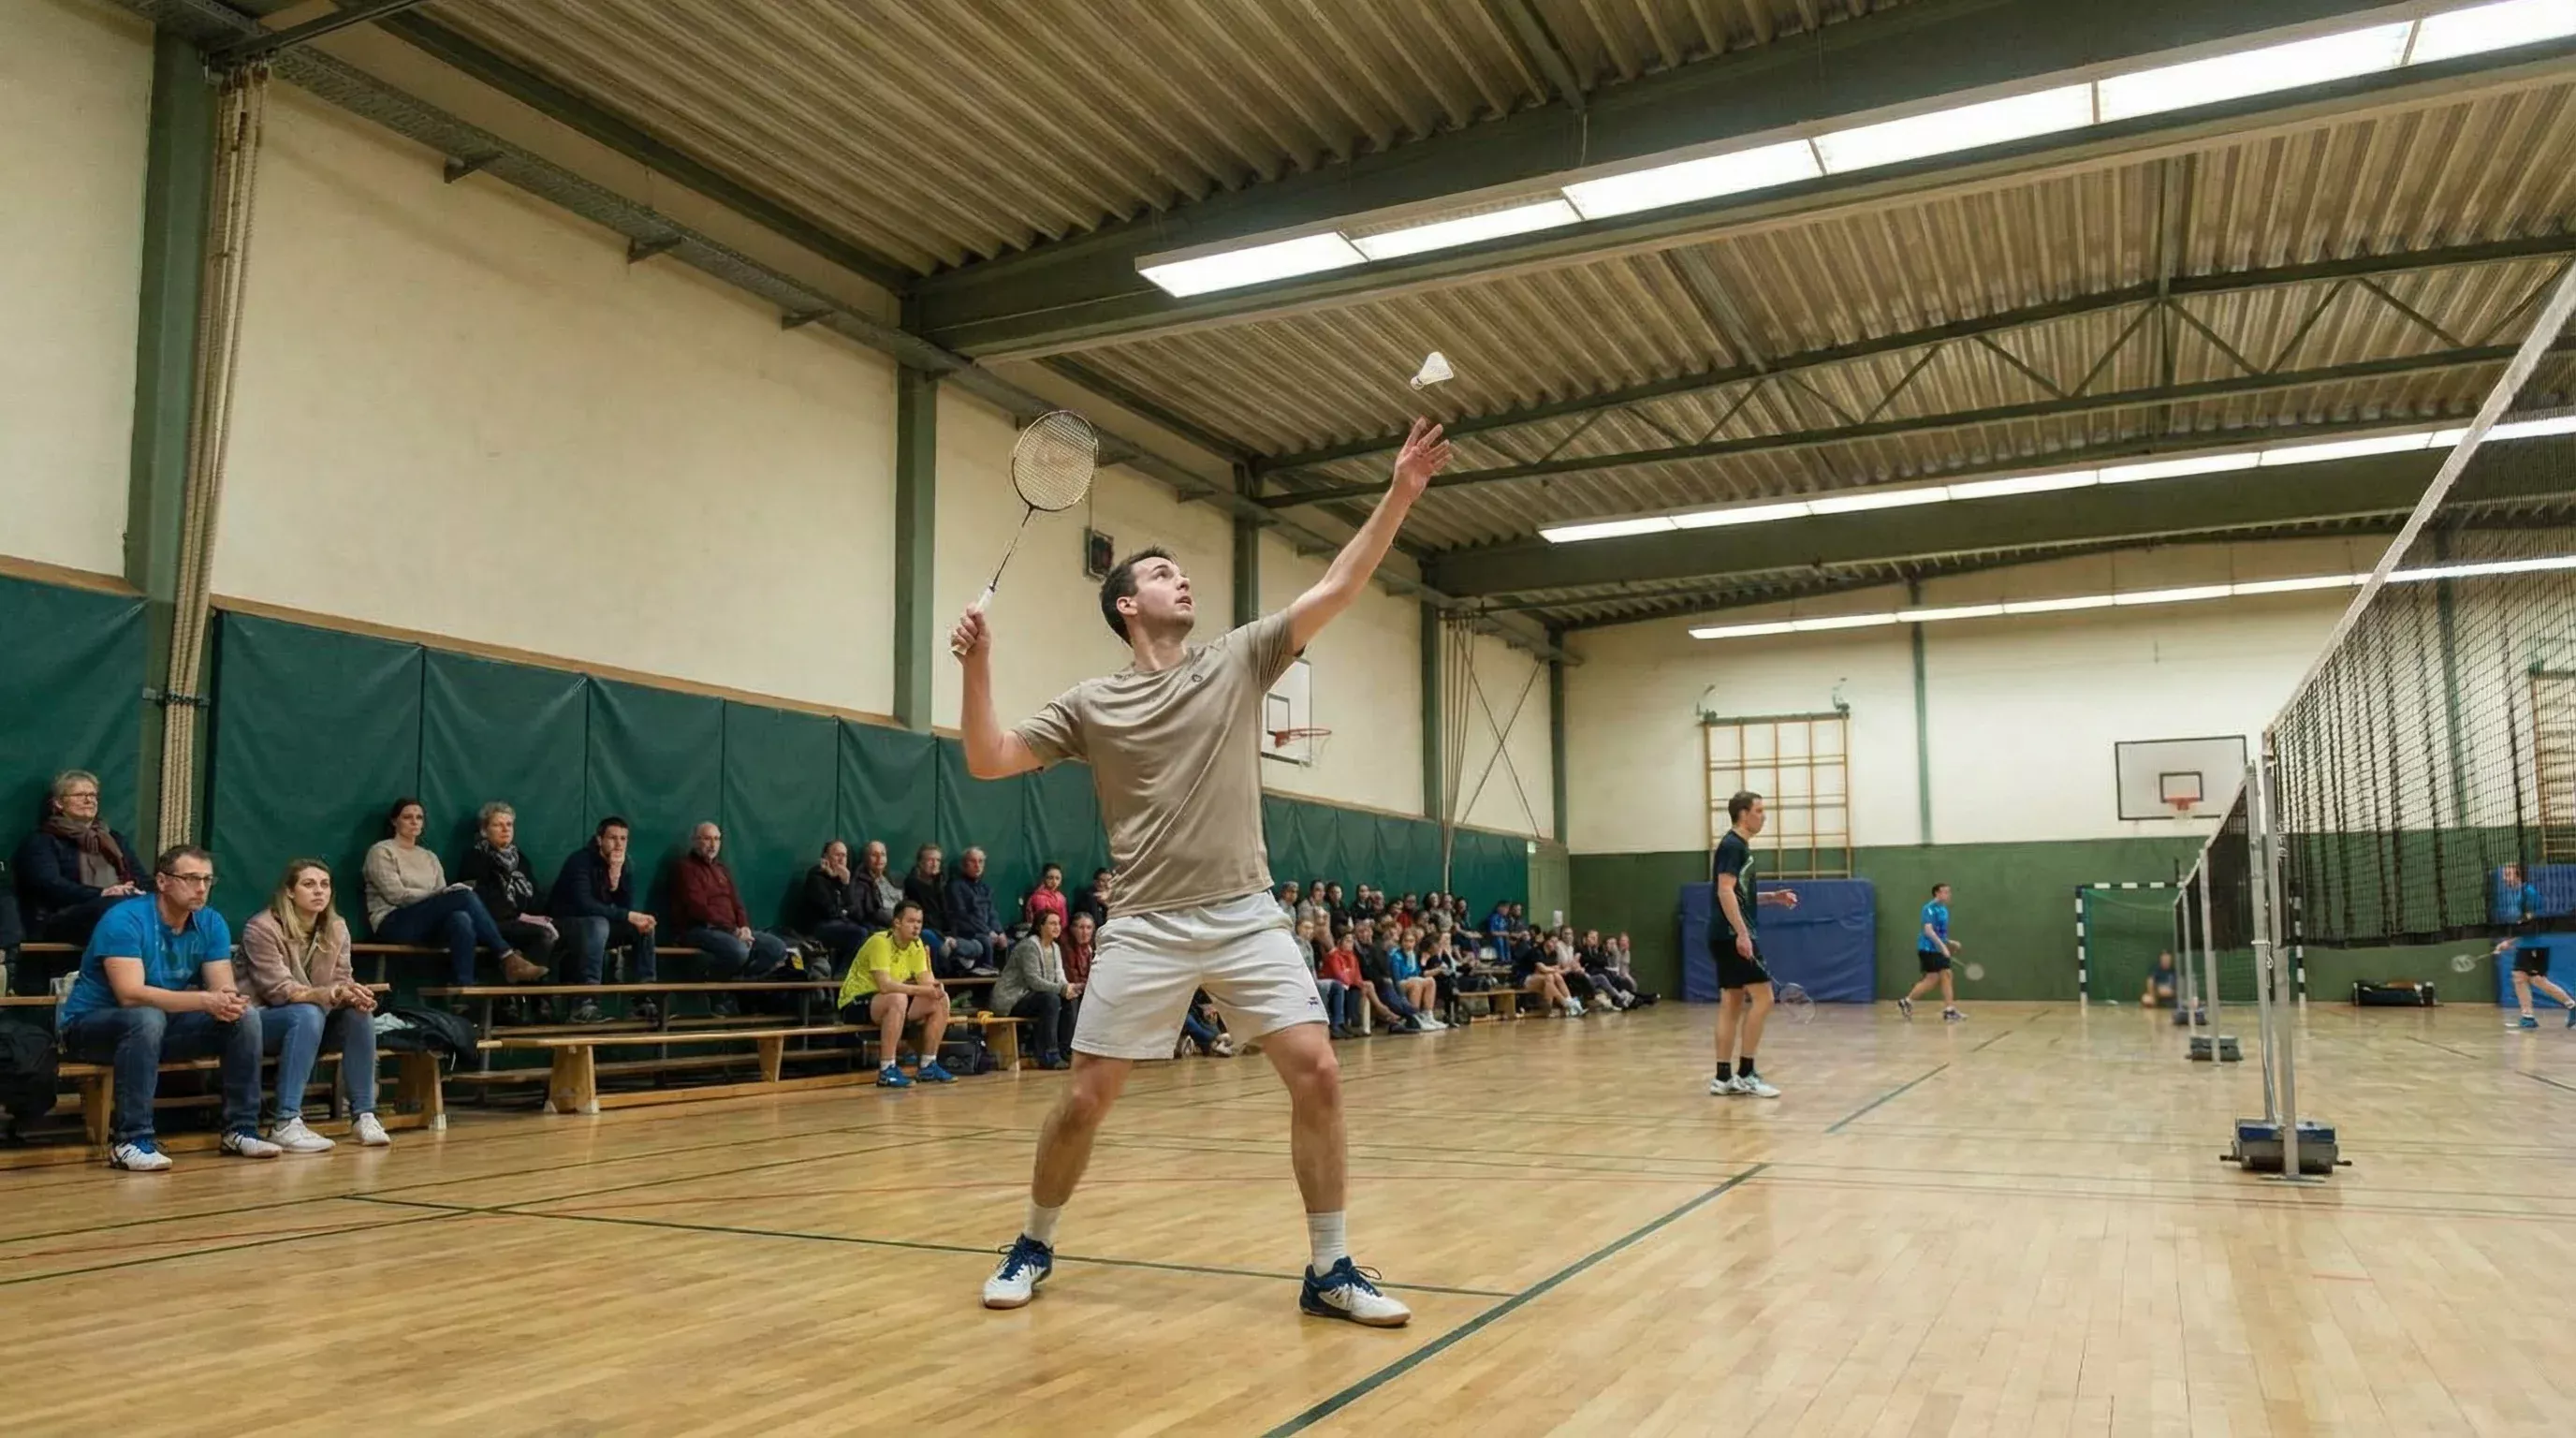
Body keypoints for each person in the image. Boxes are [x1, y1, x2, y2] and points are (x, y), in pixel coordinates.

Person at [957, 417, 1453, 1325]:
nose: (1180, 579)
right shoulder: (1091, 704)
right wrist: (979, 666)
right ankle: (1032, 1242)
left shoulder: (1238, 659)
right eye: (1159, 573)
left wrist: (1402, 492)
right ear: (1125, 606)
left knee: (1319, 1072)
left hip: (1244, 913)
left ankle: (1330, 1268)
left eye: (1180, 571)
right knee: (1084, 1099)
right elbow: (988, 758)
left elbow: (1340, 585)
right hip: (1145, 923)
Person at [55, 844, 280, 1168]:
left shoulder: (211, 922)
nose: (201, 888)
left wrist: (228, 1003)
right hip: (88, 1028)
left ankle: (241, 1130)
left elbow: (223, 988)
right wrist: (205, 1000)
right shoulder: (125, 919)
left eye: (207, 879)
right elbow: (130, 994)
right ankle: (131, 1141)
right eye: (191, 878)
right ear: (162, 881)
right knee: (145, 1017)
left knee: (243, 1018)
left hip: (159, 1026)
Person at [239, 858, 388, 1152]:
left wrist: (351, 993)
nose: (319, 891)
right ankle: (285, 1122)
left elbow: (342, 978)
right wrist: (329, 993)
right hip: (259, 1022)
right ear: (289, 891)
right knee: (306, 1013)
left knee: (359, 1014)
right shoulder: (262, 928)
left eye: (325, 884)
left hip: (313, 1019)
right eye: (309, 884)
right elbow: (278, 991)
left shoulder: (337, 927)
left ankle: (364, 1115)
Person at [365, 799, 540, 990]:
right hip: (393, 921)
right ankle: (506, 956)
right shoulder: (381, 851)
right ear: (394, 821)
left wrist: (441, 896)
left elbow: (442, 893)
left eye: (419, 817)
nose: (414, 822)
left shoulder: (429, 857)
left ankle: (464, 987)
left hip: (425, 922)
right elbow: (397, 895)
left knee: (461, 918)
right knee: (462, 896)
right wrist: (438, 896)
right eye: (408, 817)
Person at [1709, 790, 1797, 1098]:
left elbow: (1737, 895)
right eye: (1759, 811)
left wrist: (1772, 897)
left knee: (1732, 1003)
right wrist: (1743, 933)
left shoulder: (1736, 846)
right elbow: (1724, 891)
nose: (1764, 816)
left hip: (1723, 935)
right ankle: (1746, 1073)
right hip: (1733, 936)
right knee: (1764, 998)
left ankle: (1723, 1078)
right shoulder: (1733, 846)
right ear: (1743, 814)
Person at [549, 816, 660, 1026]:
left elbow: (625, 905)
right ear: (599, 840)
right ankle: (586, 1001)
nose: (619, 844)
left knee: (644, 927)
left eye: (623, 839)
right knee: (598, 923)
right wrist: (627, 915)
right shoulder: (580, 861)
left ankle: (643, 998)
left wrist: (615, 876)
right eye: (612, 838)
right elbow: (584, 905)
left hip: (601, 929)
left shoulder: (625, 863)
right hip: (566, 925)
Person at [14, 770, 144, 946]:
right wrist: (102, 893)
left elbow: (141, 877)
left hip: (120, 906)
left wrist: (141, 892)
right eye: (80, 795)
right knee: (118, 909)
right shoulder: (42, 841)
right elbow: (49, 885)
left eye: (93, 795)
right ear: (59, 803)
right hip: (63, 918)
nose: (89, 800)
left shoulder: (114, 839)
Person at [837, 900, 956, 1087]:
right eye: (911, 921)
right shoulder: (880, 942)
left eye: (919, 922)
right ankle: (887, 1069)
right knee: (897, 998)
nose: (916, 927)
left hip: (891, 1002)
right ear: (897, 923)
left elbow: (927, 983)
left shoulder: (917, 945)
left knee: (940, 1000)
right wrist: (922, 989)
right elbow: (885, 986)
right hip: (856, 1002)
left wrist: (935, 987)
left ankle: (928, 1064)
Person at [456, 801, 558, 1020]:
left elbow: (534, 895)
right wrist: (522, 916)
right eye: (498, 825)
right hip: (489, 922)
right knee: (541, 934)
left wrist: (537, 916)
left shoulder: (520, 859)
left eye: (509, 825)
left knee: (552, 931)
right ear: (484, 830)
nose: (505, 829)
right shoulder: (475, 857)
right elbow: (479, 898)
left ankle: (532, 1001)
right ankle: (524, 1000)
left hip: (520, 921)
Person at [673, 822, 793, 1000]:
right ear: (695, 841)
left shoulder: (722, 869)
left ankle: (738, 984)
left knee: (777, 948)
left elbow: (737, 903)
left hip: (732, 930)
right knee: (740, 952)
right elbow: (698, 908)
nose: (713, 844)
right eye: (707, 839)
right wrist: (733, 930)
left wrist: (744, 927)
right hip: (700, 929)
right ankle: (712, 989)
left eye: (717, 839)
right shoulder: (685, 868)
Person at [994, 909, 1079, 1069]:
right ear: (1040, 926)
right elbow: (1034, 981)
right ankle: (1049, 1055)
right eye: (1052, 923)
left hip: (1036, 996)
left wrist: (1068, 988)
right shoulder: (1029, 946)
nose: (1057, 927)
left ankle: (1066, 1050)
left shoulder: (1055, 947)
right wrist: (1061, 989)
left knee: (1070, 999)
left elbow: (1060, 975)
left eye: (1059, 923)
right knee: (1051, 999)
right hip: (1013, 999)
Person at [2495, 863, 2576, 1030]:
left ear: (2518, 875)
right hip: (2527, 942)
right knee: (2520, 977)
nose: (2504, 878)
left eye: (2508, 874)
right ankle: (2528, 1017)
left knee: (2535, 979)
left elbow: (2531, 924)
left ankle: (2570, 1006)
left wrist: (2509, 941)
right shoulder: (2518, 894)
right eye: (2504, 874)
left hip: (2536, 942)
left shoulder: (2528, 894)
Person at [1897, 882, 1965, 1022]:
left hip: (1937, 948)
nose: (1948, 894)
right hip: (1928, 948)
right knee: (1943, 975)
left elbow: (1939, 933)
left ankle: (1908, 1001)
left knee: (1936, 978)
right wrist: (1943, 947)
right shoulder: (1928, 909)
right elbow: (1928, 931)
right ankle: (1949, 1010)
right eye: (1945, 892)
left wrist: (1950, 942)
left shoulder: (1944, 910)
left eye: (1949, 892)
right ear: (1937, 893)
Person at [800, 840, 871, 973]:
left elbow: (856, 912)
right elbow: (830, 911)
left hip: (840, 923)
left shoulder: (844, 877)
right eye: (837, 855)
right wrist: (845, 910)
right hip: (819, 926)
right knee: (859, 933)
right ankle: (842, 974)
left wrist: (846, 884)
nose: (841, 859)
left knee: (871, 932)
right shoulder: (816, 878)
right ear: (826, 858)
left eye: (844, 855)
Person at [945, 847, 1007, 978]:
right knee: (986, 940)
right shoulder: (955, 886)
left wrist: (999, 932)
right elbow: (962, 915)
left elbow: (992, 913)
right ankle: (984, 978)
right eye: (973, 861)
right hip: (967, 932)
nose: (977, 865)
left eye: (980, 861)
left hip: (987, 932)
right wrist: (987, 931)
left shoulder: (986, 888)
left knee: (1010, 943)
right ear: (964, 864)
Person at [903, 844, 963, 976]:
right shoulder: (913, 883)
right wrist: (943, 937)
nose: (935, 864)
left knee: (977, 945)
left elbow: (947, 913)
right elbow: (925, 914)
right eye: (930, 860)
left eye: (938, 860)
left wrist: (950, 934)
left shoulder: (941, 883)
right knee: (929, 938)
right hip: (925, 929)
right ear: (920, 863)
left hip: (943, 932)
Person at [1317, 924, 1365, 1037]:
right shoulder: (1334, 955)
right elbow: (1338, 974)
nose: (1350, 943)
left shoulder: (1353, 957)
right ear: (1339, 942)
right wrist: (1351, 983)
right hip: (1331, 984)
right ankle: (1340, 1024)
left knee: (1357, 989)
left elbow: (1357, 976)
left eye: (1352, 941)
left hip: (1346, 984)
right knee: (1345, 988)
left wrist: (1356, 983)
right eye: (1347, 940)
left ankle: (1351, 1023)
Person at [856, 840, 903, 935]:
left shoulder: (894, 878)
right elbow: (871, 913)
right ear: (866, 858)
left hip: (903, 923)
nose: (879, 858)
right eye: (874, 855)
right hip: (884, 927)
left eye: (883, 854)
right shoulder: (860, 881)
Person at [1024, 862, 1071, 934]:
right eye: (1050, 878)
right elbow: (1042, 922)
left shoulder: (1061, 898)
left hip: (1059, 934)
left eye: (1057, 878)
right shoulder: (1038, 897)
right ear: (1044, 878)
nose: (1054, 882)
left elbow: (1064, 922)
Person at [1071, 868, 1113, 932]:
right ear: (1095, 882)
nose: (1107, 885)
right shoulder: (1090, 898)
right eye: (1103, 881)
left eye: (1109, 880)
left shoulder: (1113, 896)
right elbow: (1099, 924)